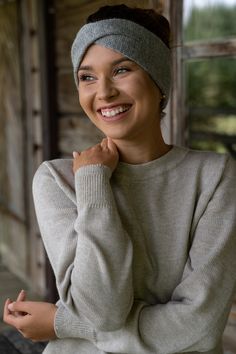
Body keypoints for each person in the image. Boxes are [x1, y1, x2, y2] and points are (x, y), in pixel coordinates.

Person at [3, 4, 236, 354]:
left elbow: (199, 327)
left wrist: (61, 322)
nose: (104, 92)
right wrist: (94, 183)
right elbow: (102, 312)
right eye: (87, 77)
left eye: (122, 69)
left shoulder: (215, 176)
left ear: (159, 80)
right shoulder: (58, 180)